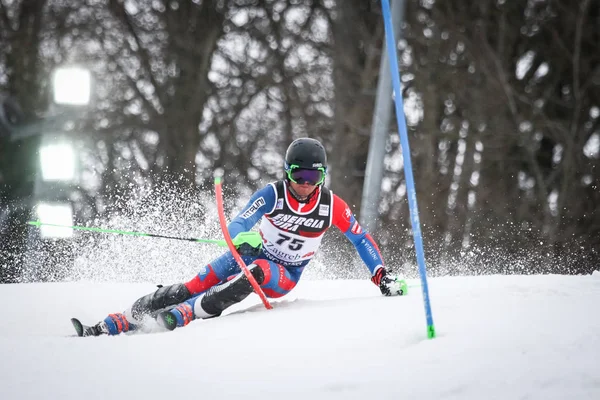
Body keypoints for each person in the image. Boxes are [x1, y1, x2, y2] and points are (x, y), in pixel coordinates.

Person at [74, 137, 407, 337]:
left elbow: (360, 239)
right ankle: (118, 321)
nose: (305, 184)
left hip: (284, 274)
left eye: (313, 176)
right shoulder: (273, 195)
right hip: (249, 255)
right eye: (299, 175)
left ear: (322, 176)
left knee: (259, 270)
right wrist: (242, 238)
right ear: (287, 173)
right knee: (193, 284)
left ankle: (189, 312)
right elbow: (238, 224)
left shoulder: (331, 205)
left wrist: (381, 277)